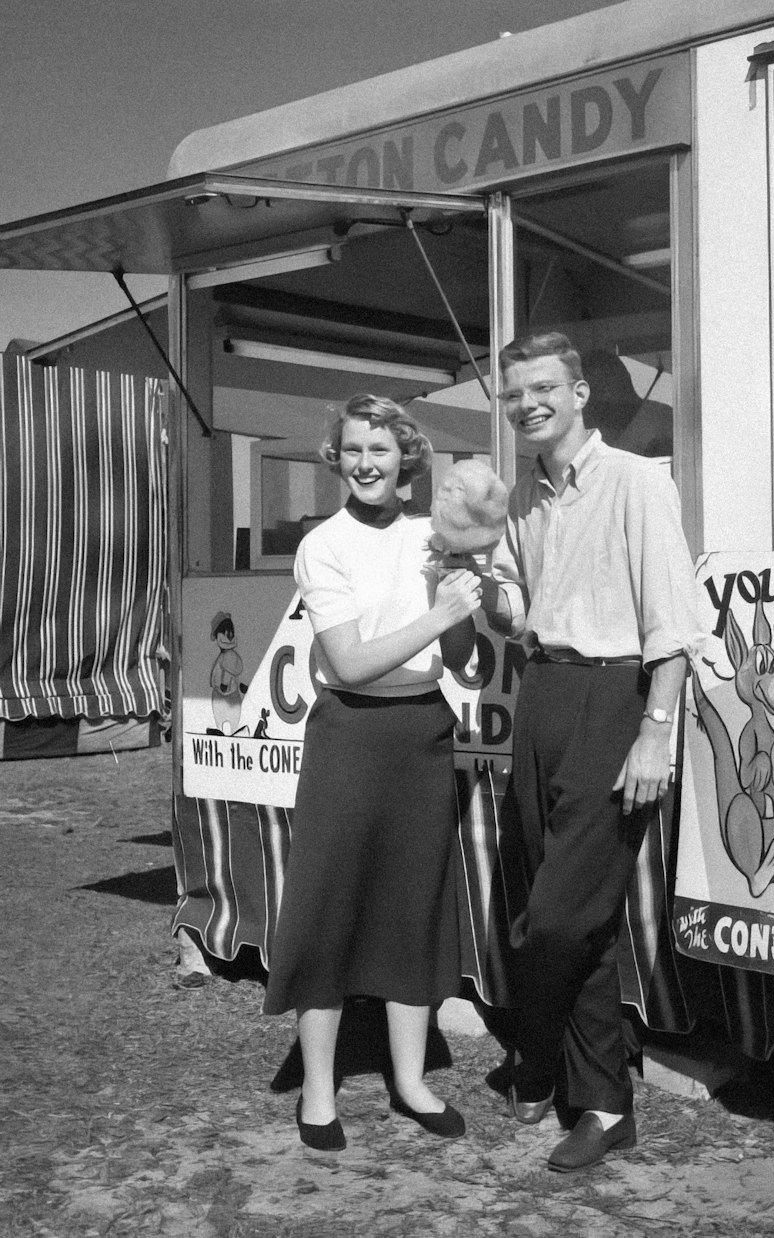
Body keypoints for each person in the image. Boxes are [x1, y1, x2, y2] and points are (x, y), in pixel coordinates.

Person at [480, 331, 703, 1172]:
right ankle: (606, 1105)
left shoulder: (639, 482)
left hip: (614, 699)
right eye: (514, 394)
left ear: (579, 395)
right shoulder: (524, 498)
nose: (528, 403)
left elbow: (673, 621)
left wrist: (655, 730)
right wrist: (482, 593)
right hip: (540, 694)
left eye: (543, 387)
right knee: (584, 923)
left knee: (558, 918)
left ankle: (536, 1055)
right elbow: (521, 612)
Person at [263, 394, 482, 1150]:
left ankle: (411, 1082)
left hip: (422, 732)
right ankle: (318, 1093)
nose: (366, 464)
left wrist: (459, 603)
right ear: (336, 458)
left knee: (411, 905)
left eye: (381, 451)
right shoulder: (322, 545)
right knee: (330, 905)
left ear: (407, 460)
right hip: (349, 736)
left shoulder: (434, 537)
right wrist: (435, 613)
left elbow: (460, 660)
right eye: (354, 449)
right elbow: (351, 662)